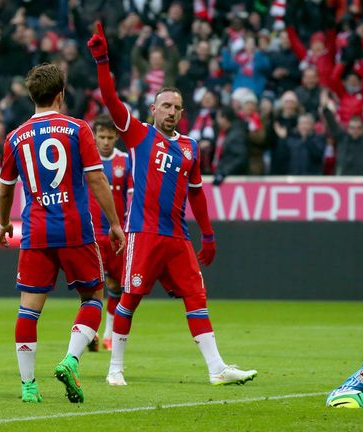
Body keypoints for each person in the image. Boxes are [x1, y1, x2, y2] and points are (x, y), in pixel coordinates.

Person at [88, 23, 257, 387]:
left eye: (177, 107)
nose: (172, 111)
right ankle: (115, 368)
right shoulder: (138, 134)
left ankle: (216, 368)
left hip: (178, 237)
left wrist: (208, 235)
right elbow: (111, 99)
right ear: (153, 108)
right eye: (166, 105)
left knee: (196, 297)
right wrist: (102, 61)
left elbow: (197, 193)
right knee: (130, 298)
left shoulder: (190, 147)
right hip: (144, 233)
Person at [0, 63, 126, 403]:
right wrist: (114, 223)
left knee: (28, 310)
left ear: (31, 96)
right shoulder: (77, 128)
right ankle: (70, 360)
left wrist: (5, 222)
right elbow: (96, 178)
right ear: (60, 95)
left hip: (36, 231)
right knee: (93, 298)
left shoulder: (15, 137)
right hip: (75, 230)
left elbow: (5, 189)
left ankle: (28, 386)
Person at [87, 114, 133, 351]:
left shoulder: (125, 161)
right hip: (91, 232)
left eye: (109, 137)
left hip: (116, 234)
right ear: (94, 137)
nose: (105, 141)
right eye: (101, 137)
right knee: (92, 284)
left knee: (115, 285)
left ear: (116, 137)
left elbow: (132, 197)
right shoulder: (86, 160)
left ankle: (108, 333)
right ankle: (91, 332)